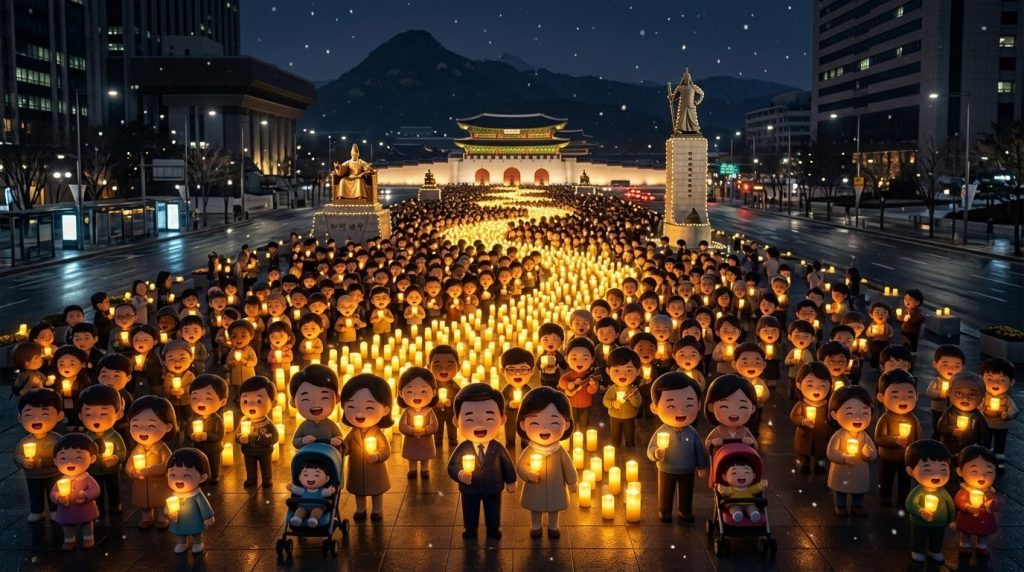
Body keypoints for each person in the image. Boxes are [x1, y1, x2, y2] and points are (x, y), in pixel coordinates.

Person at [447, 383, 517, 540]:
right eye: (470, 418)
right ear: (456, 421)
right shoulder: (463, 447)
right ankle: (470, 529)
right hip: (469, 488)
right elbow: (452, 465)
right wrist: (460, 474)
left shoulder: (497, 448)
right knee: (469, 510)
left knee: (493, 509)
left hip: (493, 487)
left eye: (489, 418)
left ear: (502, 420)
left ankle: (493, 528)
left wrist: (511, 481)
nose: (480, 424)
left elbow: (507, 464)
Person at [514, 386, 577, 539]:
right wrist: (528, 473)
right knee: (535, 508)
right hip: (535, 487)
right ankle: (536, 526)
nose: (544, 428)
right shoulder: (530, 450)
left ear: (566, 424)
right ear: (523, 424)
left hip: (556, 487)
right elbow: (521, 466)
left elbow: (568, 466)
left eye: (554, 423)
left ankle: (553, 526)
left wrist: (572, 481)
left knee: (554, 509)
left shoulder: (559, 451)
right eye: (535, 423)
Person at [646, 372, 708, 523]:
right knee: (665, 492)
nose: (680, 411)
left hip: (688, 469)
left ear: (698, 405)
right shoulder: (662, 431)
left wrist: (702, 466)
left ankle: (685, 511)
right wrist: (655, 453)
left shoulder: (692, 433)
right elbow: (650, 449)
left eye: (688, 405)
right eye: (671, 405)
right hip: (666, 468)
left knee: (686, 492)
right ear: (655, 407)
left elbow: (699, 450)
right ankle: (665, 511)